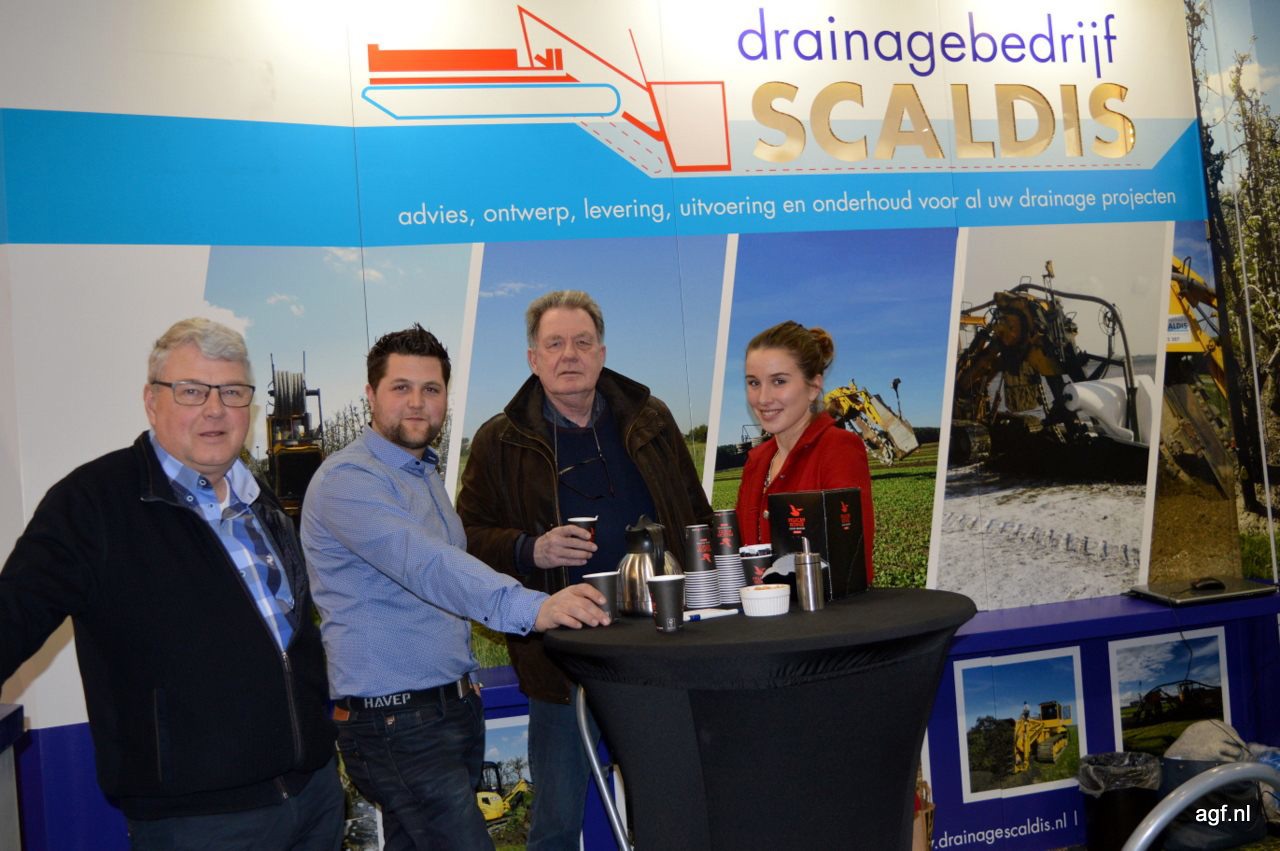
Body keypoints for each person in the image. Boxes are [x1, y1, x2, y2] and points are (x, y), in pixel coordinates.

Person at [0, 318, 341, 850]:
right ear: (151, 401)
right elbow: (14, 613)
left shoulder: (260, 499)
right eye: (191, 391)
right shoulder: (93, 503)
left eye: (232, 392)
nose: (215, 409)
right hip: (197, 823)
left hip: (313, 797)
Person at [301, 324, 608, 851]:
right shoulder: (348, 480)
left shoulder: (421, 474)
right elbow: (428, 565)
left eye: (431, 388)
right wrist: (532, 607)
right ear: (371, 394)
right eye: (401, 387)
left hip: (448, 711)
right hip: (396, 722)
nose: (417, 403)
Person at [457, 290, 713, 850]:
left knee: (672, 809)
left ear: (602, 353)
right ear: (533, 358)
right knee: (555, 820)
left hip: (658, 653)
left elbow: (695, 515)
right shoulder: (500, 440)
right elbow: (464, 539)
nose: (568, 355)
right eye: (554, 344)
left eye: (582, 342)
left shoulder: (651, 420)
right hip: (561, 661)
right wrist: (530, 549)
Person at [734, 320, 875, 585]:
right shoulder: (756, 462)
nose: (763, 398)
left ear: (813, 387)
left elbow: (850, 566)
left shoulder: (838, 449)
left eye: (779, 381)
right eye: (754, 383)